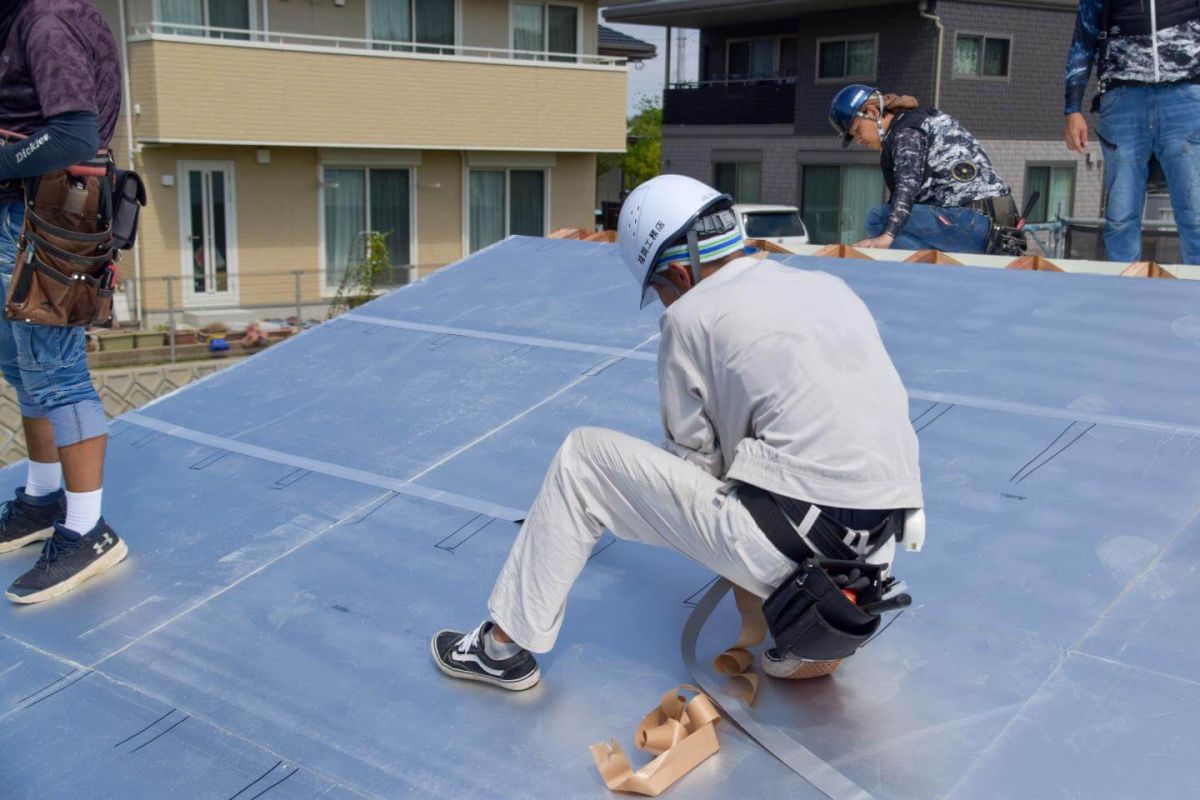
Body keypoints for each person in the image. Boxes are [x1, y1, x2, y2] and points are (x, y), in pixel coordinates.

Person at [431, 175, 924, 690]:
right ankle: (806, 625)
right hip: (878, 543)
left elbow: (697, 464)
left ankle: (501, 647)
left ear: (681, 273)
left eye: (661, 290)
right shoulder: (828, 286)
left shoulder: (692, 315)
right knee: (781, 466)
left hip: (791, 539)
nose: (665, 303)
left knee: (584, 460)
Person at [0, 0, 127, 603]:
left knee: (57, 373)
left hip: (42, 218)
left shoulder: (45, 22)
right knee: (23, 365)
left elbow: (74, 132)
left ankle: (88, 531)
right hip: (24, 216)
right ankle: (43, 496)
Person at [1063, 0, 1200, 265]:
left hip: (1186, 99)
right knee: (1120, 215)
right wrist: (1072, 109)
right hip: (1122, 100)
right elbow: (1083, 42)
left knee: (1195, 213)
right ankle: (1122, 295)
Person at [828, 84, 1018, 255]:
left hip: (972, 223)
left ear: (872, 112)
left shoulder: (905, 132)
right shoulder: (924, 118)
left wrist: (887, 237)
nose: (859, 140)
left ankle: (923, 275)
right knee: (894, 220)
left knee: (877, 218)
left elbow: (907, 186)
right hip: (1002, 225)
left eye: (857, 131)